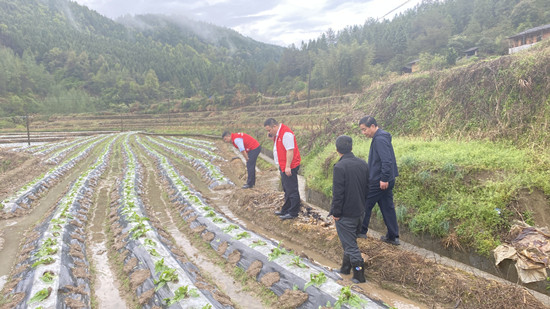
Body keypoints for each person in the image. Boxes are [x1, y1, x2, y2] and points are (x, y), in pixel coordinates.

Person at [329, 135, 369, 283]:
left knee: (351, 246)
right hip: (360, 212)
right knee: (349, 241)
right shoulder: (363, 164)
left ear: (337, 149)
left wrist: (336, 213)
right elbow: (367, 188)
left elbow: (338, 193)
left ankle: (359, 275)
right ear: (351, 147)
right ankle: (345, 269)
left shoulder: (340, 167)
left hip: (346, 214)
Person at [358, 115, 400, 245]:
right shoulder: (381, 137)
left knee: (366, 203)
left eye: (364, 129)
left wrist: (384, 178)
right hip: (386, 179)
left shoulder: (380, 139)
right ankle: (393, 236)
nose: (363, 133)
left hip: (380, 180)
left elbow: (386, 160)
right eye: (362, 130)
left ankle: (360, 231)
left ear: (372, 126)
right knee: (387, 206)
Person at [264, 118, 301, 220]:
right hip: (283, 164)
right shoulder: (279, 134)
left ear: (274, 127)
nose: (269, 132)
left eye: (269, 130)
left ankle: (293, 212)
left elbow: (290, 150)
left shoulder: (286, 134)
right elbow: (279, 147)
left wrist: (288, 166)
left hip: (290, 166)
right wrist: (272, 138)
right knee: (286, 188)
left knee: (292, 189)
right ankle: (286, 209)